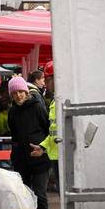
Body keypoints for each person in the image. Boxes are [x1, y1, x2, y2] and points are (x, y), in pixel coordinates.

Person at [7, 75, 51, 209]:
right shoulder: (12, 111)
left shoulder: (37, 107)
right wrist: (15, 153)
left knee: (40, 194)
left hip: (40, 159)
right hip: (22, 160)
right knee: (24, 195)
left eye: (20, 92)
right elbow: (14, 135)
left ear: (26, 92)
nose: (18, 95)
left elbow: (47, 128)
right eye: (14, 93)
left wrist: (43, 148)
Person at [29, 61, 59, 193]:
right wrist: (43, 146)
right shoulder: (56, 100)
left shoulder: (61, 100)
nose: (45, 83)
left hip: (64, 156)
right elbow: (54, 131)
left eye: (47, 79)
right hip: (57, 155)